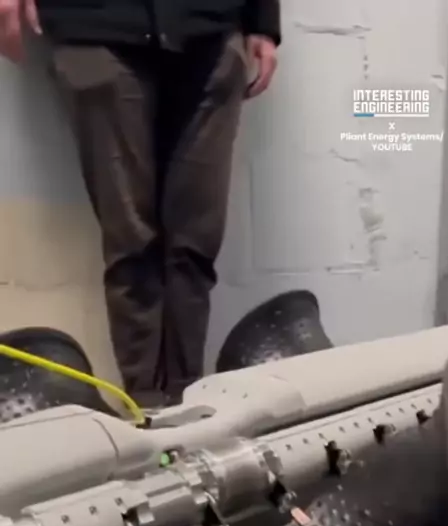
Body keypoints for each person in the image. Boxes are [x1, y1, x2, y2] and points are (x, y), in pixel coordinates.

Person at [0, 0, 281, 408]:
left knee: (195, 244)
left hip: (211, 31)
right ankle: (146, 404)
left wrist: (264, 21)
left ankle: (187, 402)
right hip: (97, 28)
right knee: (131, 243)